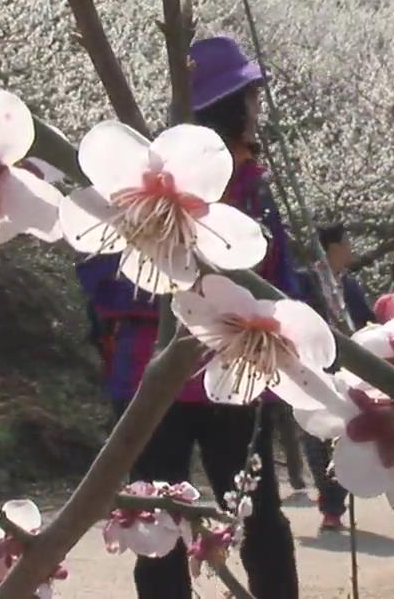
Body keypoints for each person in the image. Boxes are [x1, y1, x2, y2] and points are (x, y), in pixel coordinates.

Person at [82, 35, 300, 599]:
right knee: (157, 519)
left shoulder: (254, 188)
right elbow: (102, 274)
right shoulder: (140, 184)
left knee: (253, 512)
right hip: (159, 374)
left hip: (227, 370)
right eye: (250, 100)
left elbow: (279, 278)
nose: (257, 112)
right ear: (231, 105)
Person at [294, 223, 374, 532]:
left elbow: (366, 320)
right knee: (315, 434)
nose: (351, 248)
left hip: (347, 369)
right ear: (331, 247)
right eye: (346, 242)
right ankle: (330, 504)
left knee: (344, 432)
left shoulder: (350, 285)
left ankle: (336, 498)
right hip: (313, 366)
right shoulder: (304, 280)